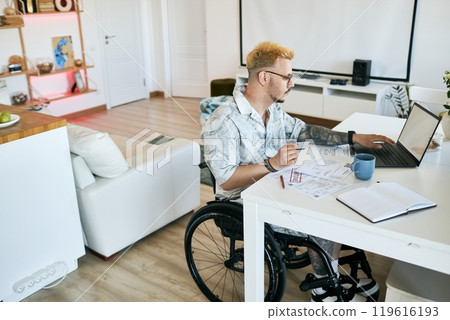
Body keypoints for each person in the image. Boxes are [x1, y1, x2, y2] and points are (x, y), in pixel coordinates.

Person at [201, 41, 394, 302]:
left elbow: (304, 131)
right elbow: (225, 182)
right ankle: (323, 289)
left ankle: (332, 276)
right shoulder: (223, 121)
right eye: (287, 77)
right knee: (320, 218)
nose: (292, 83)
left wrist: (354, 137)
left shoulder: (273, 111)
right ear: (264, 77)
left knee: (335, 199)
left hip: (276, 185)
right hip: (242, 203)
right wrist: (271, 164)